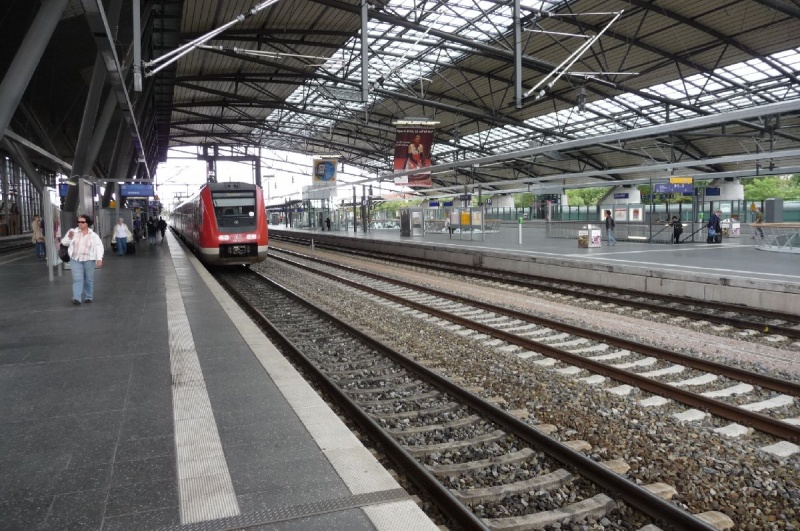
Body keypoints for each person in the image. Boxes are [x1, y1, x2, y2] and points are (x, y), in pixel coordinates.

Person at [60, 215, 104, 305]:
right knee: (77, 279)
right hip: (75, 259)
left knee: (88, 279)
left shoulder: (93, 235)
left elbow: (99, 247)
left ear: (87, 223)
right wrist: (69, 237)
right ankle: (77, 298)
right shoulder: (73, 232)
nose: (80, 223)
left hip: (89, 259)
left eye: (82, 222)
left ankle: (88, 296)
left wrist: (99, 259)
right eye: (78, 222)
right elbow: (64, 242)